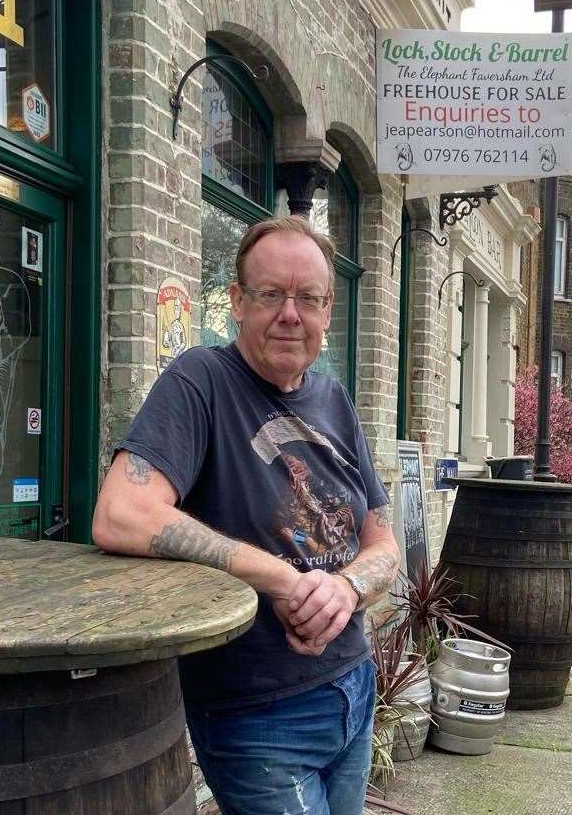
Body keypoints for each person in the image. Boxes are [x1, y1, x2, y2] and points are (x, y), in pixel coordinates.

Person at [93, 216, 399, 815]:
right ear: (237, 301)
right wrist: (283, 580)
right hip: (258, 713)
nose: (290, 313)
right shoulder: (200, 381)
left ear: (328, 311)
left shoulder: (334, 399)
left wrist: (348, 586)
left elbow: (382, 539)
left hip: (355, 689)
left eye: (307, 298)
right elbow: (121, 513)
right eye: (270, 294)